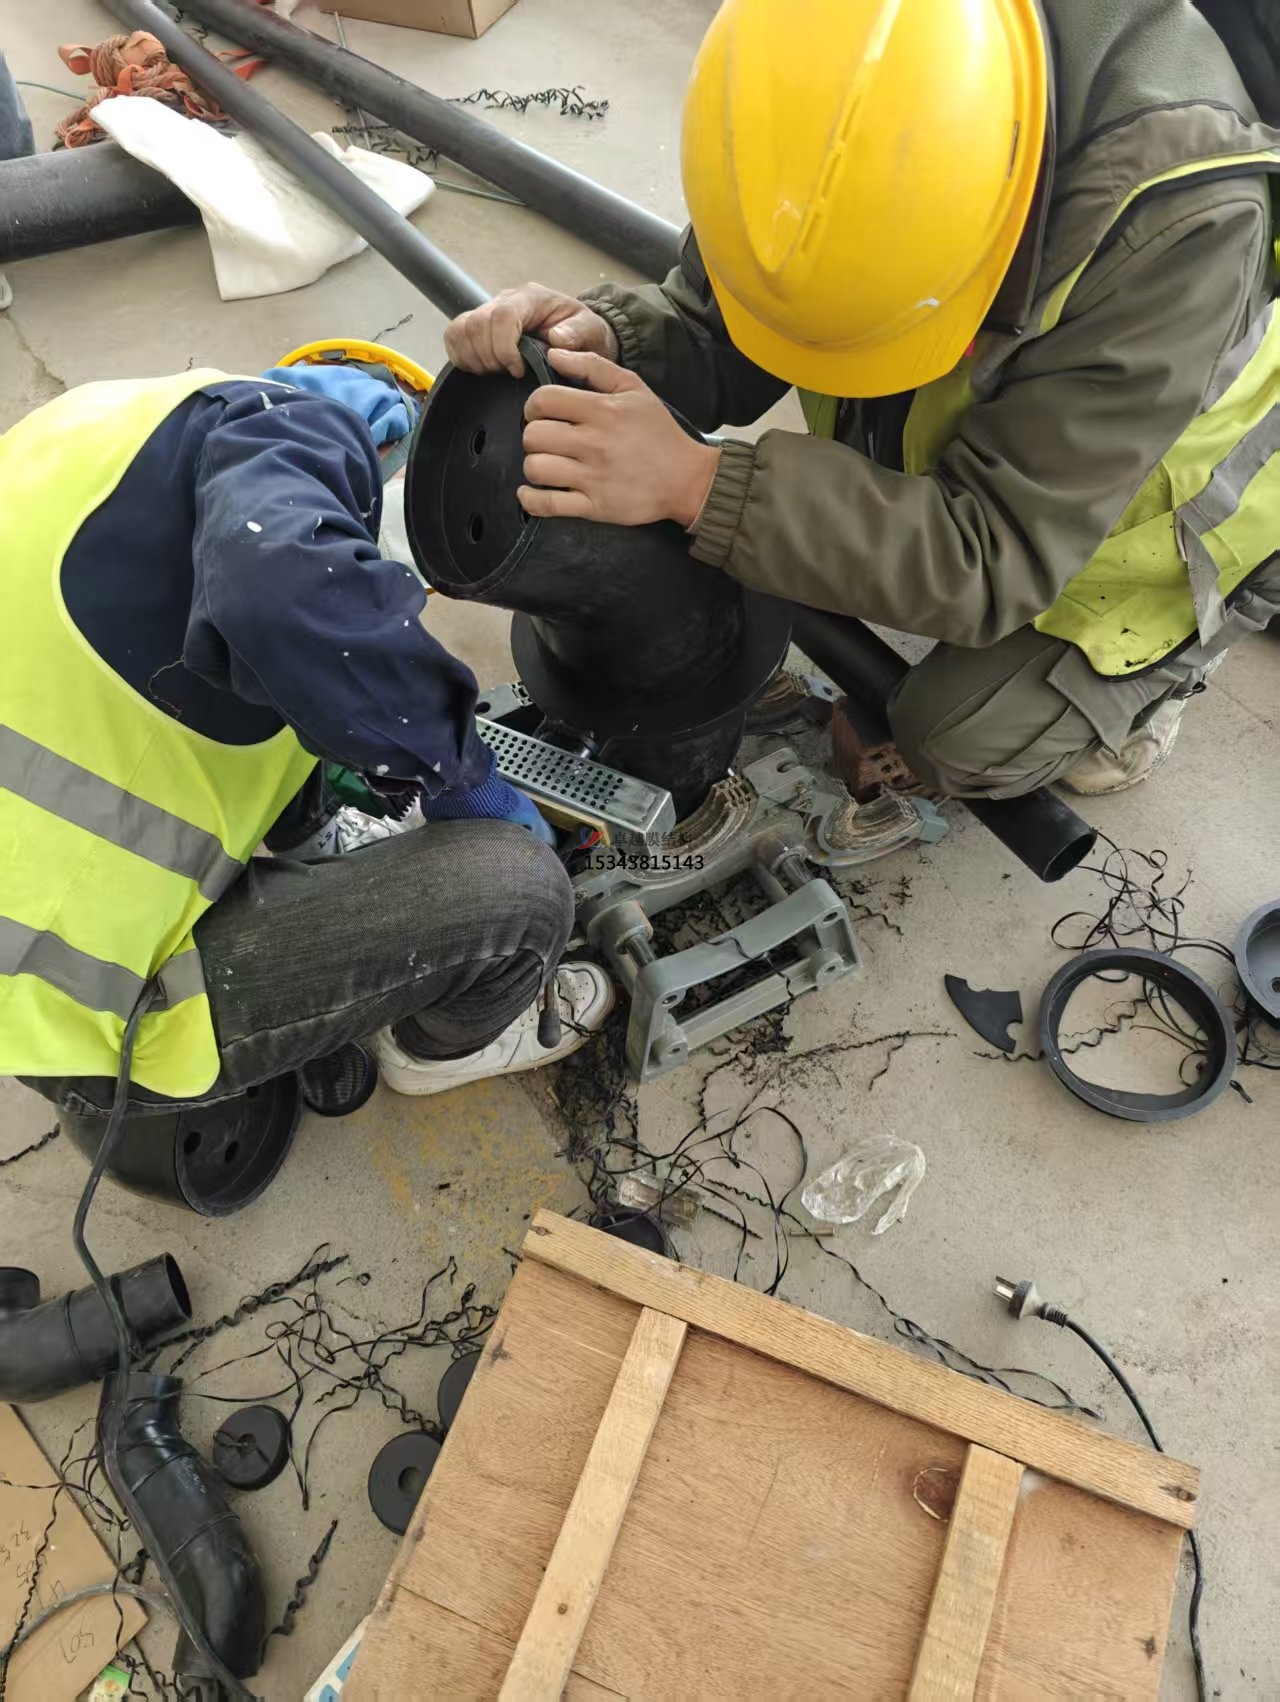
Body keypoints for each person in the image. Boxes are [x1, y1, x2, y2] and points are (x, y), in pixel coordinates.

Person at [443, 0, 1280, 802]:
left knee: (958, 735)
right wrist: (609, 339)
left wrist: (700, 484)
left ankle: (1170, 670)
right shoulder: (814, 61)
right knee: (793, 537)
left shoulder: (1175, 229)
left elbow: (995, 556)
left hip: (1170, 514)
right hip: (1042, 424)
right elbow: (722, 318)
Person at [0, 362, 613, 1120]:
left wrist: (324, 813)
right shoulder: (306, 434)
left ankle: (315, 848)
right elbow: (282, 599)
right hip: (81, 1012)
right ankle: (432, 1049)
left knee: (310, 667)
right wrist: (458, 771)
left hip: (31, 955)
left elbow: (240, 652)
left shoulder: (108, 424)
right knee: (525, 892)